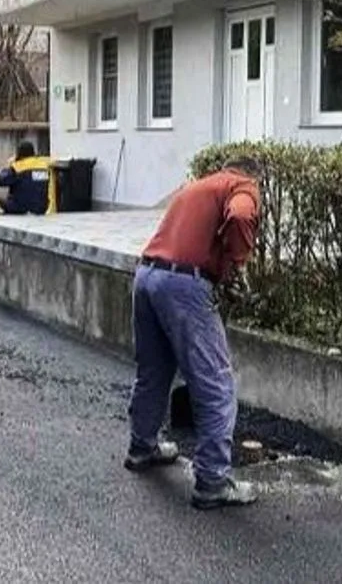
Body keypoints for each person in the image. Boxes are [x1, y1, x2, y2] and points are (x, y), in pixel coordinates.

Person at [124, 155, 262, 511]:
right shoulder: (242, 186)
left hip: (147, 276)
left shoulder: (196, 186)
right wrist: (238, 261)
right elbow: (243, 215)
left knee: (153, 371)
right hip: (184, 285)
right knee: (216, 382)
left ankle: (143, 446)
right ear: (251, 175)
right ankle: (213, 481)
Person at [0, 141, 54, 215]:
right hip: (41, 208)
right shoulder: (44, 166)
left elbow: (1, 181)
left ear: (19, 154)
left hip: (19, 208)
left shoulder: (18, 167)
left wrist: (9, 165)